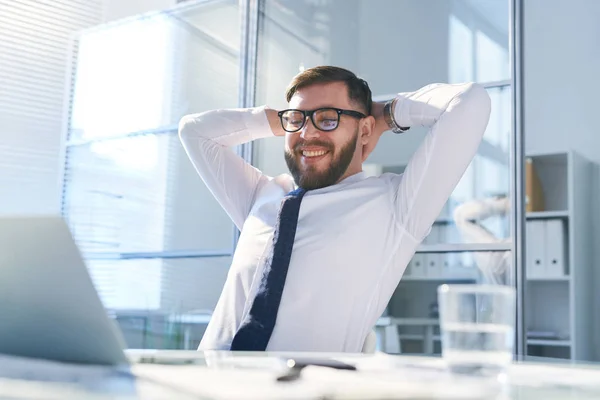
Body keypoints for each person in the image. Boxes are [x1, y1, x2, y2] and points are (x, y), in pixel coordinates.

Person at [179, 66, 491, 352]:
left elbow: (469, 101)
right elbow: (194, 131)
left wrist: (386, 116)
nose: (308, 134)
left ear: (364, 130)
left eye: (329, 119)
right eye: (298, 121)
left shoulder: (397, 206)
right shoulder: (260, 194)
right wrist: (283, 119)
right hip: (208, 385)